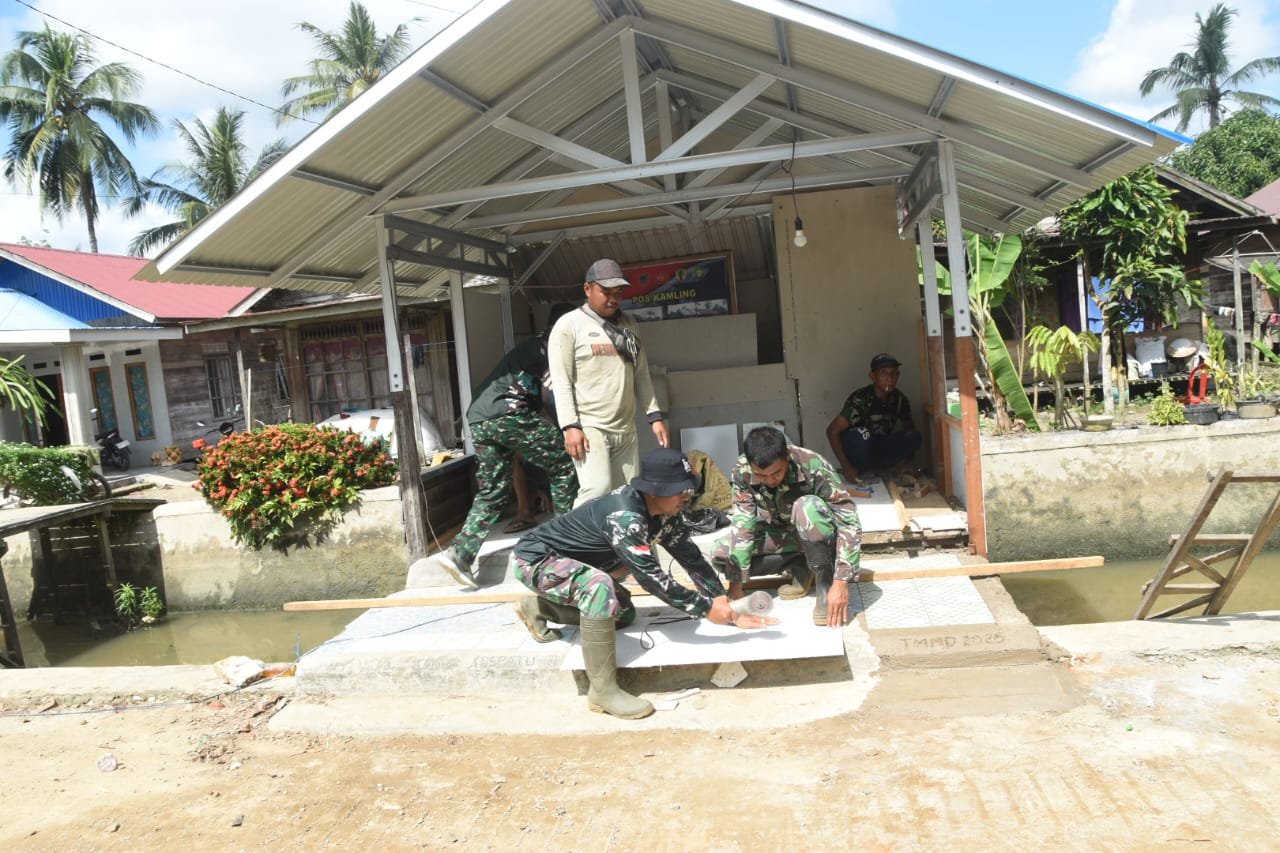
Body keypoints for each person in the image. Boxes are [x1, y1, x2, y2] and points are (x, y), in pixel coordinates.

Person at [511, 447, 777, 719]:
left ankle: (541, 608)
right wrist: (706, 609)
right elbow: (651, 579)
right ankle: (602, 692)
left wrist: (721, 601)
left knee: (623, 613)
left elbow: (690, 556)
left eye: (688, 488)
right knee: (599, 587)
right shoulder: (625, 517)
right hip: (537, 560)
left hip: (578, 565)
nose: (687, 495)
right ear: (654, 490)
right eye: (680, 490)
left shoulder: (665, 512)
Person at [425, 304, 578, 588]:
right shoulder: (552, 346)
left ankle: (461, 554)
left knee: (493, 489)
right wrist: (569, 429)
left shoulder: (535, 343)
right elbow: (549, 395)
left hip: (480, 418)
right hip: (509, 413)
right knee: (565, 464)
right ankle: (568, 545)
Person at [711, 426, 863, 627]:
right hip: (784, 536)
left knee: (807, 507)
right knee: (721, 554)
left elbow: (848, 521)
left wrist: (841, 582)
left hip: (821, 536)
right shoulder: (742, 470)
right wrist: (736, 585)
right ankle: (800, 565)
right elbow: (743, 524)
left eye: (776, 473)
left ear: (788, 455)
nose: (770, 481)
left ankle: (824, 584)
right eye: (761, 476)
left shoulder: (813, 465)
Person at [548, 258, 668, 506]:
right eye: (606, 292)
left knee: (626, 494)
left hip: (625, 428)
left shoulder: (628, 324)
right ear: (587, 288)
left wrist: (654, 416)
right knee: (596, 491)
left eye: (619, 293)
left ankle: (622, 533)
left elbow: (641, 373)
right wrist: (570, 426)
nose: (613, 299)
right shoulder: (569, 325)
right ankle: (571, 532)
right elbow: (561, 381)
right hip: (590, 426)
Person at [826, 352, 923, 483]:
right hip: (858, 449)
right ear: (872, 376)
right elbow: (832, 431)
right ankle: (861, 470)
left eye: (894, 373)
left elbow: (909, 428)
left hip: (879, 449)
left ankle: (881, 469)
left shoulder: (899, 399)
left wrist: (909, 461)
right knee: (861, 434)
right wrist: (846, 467)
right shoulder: (860, 399)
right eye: (883, 373)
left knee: (914, 436)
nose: (890, 378)